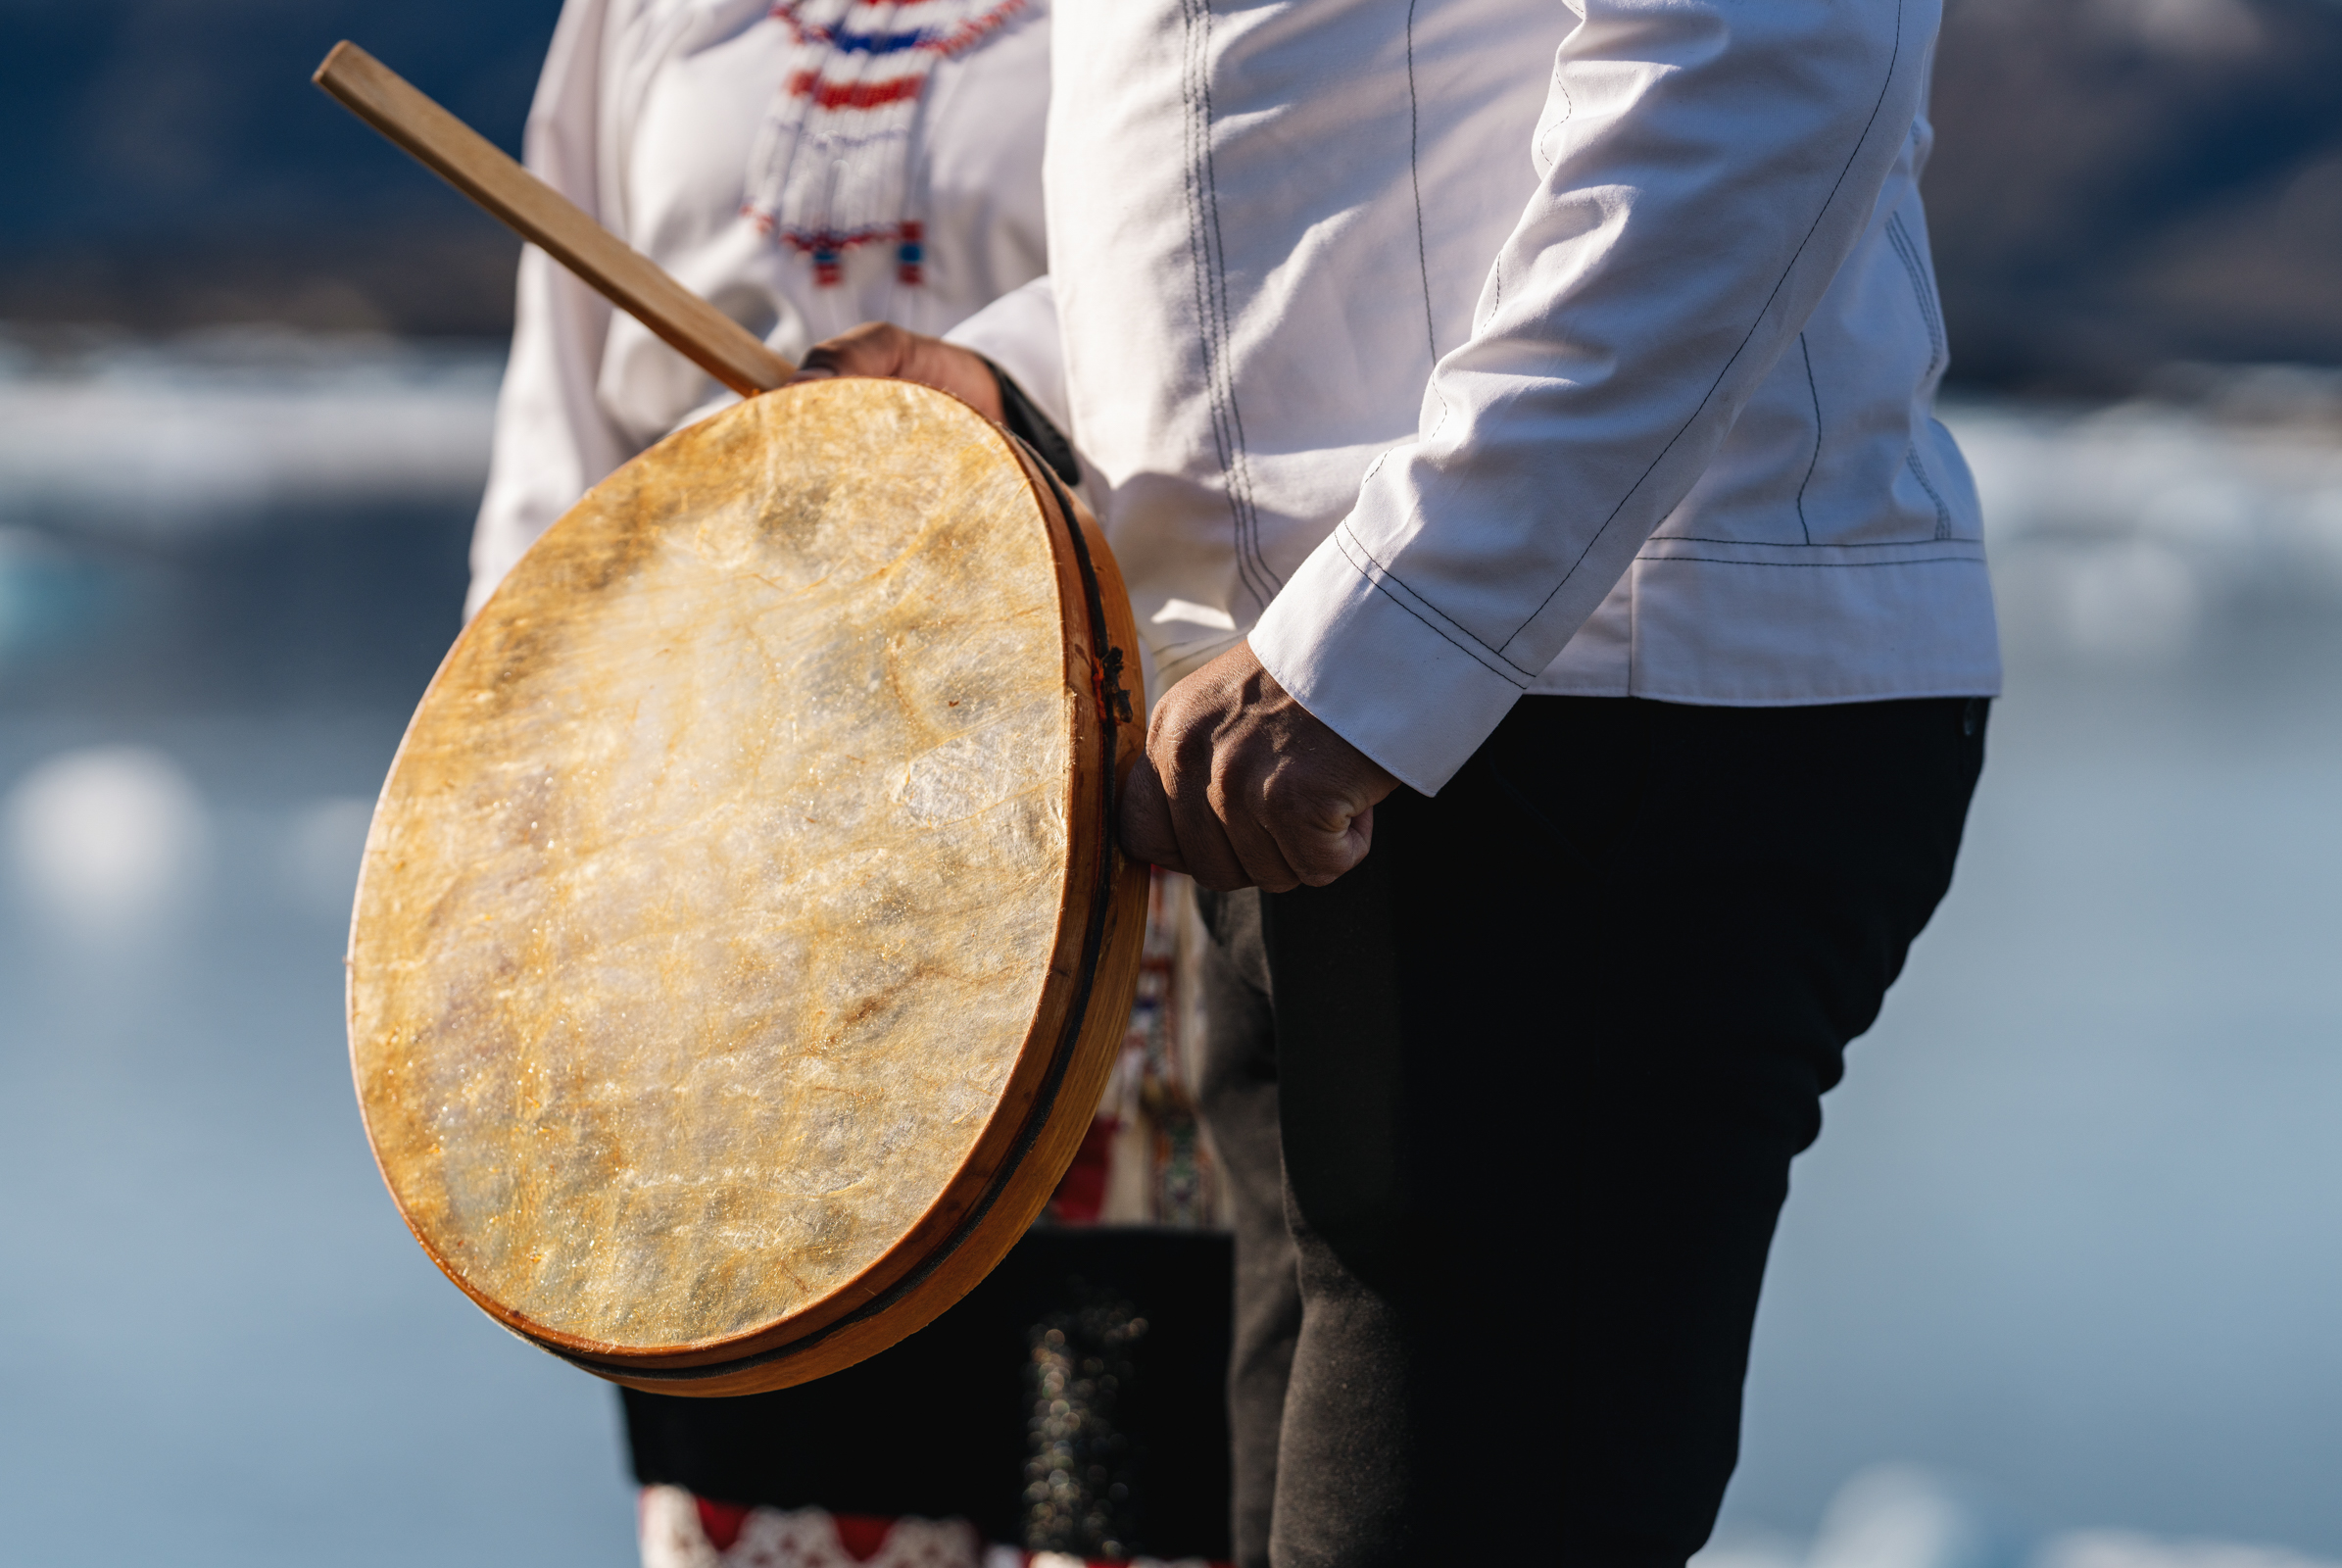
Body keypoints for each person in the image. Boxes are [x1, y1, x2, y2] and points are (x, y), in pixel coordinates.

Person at [808, 0, 2003, 1562]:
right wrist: (1025, 377)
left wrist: (1400, 628)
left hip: (1575, 700)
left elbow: (1772, 50)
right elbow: (1303, 140)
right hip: (1342, 712)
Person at [472, 2, 1238, 1564]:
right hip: (732, 882)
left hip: (1097, 854)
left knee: (1114, 1486)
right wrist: (521, 836)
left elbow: (1246, 297)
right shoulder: (644, 15)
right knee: (780, 1459)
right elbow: (560, 443)